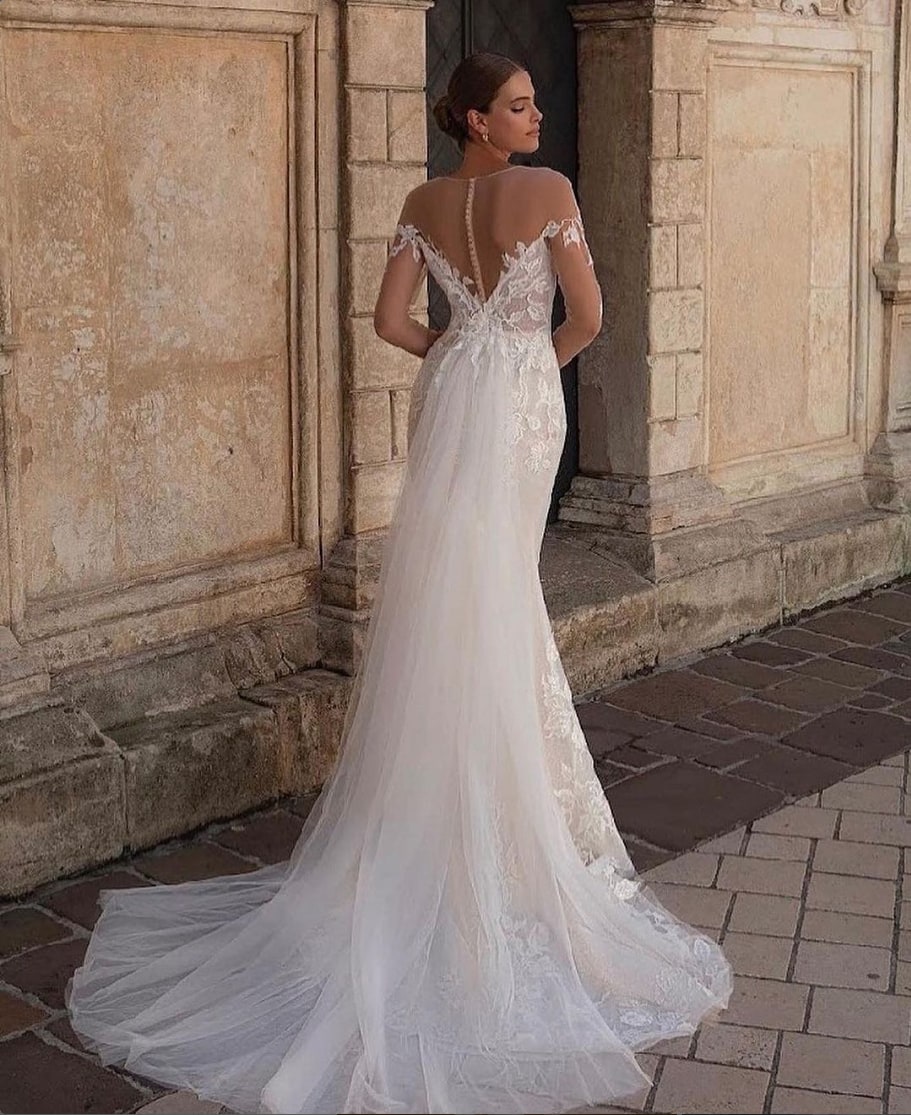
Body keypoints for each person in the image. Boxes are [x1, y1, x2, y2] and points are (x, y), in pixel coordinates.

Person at [66, 51, 732, 1115]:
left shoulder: (421, 202)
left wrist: (461, 352)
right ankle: (498, 832)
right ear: (475, 118)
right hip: (516, 402)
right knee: (498, 593)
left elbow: (387, 324)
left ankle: (437, 812)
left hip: (451, 389)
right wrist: (523, 366)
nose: (533, 116)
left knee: (448, 593)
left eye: (532, 103)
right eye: (516, 105)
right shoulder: (548, 189)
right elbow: (588, 316)